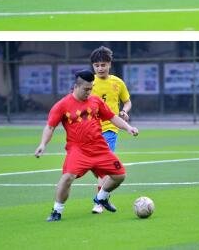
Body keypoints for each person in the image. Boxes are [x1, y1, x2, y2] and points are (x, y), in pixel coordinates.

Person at [34, 70, 138, 221]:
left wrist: (128, 128)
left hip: (99, 147)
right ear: (76, 86)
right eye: (86, 89)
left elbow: (112, 117)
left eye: (91, 88)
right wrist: (43, 144)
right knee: (67, 177)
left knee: (120, 175)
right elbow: (50, 127)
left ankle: (101, 198)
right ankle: (57, 211)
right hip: (78, 149)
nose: (89, 92)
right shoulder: (62, 105)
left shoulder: (95, 101)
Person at [89, 46, 132, 214]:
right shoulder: (88, 83)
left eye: (103, 65)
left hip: (109, 129)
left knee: (103, 165)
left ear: (110, 64)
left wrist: (124, 111)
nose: (100, 68)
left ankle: (99, 202)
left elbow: (127, 101)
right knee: (97, 168)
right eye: (97, 65)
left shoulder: (118, 83)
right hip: (90, 130)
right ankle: (103, 196)